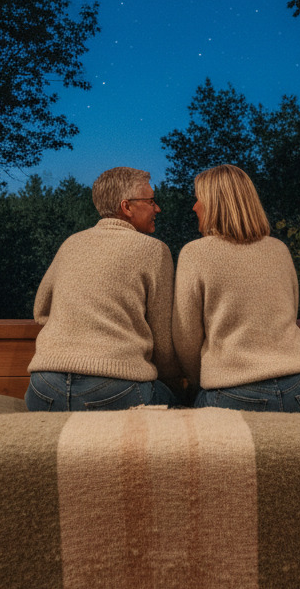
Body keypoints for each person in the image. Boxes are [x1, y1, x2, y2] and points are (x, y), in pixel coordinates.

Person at [25, 166, 182, 411]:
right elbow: (162, 338)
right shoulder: (154, 250)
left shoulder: (71, 243)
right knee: (180, 407)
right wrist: (177, 383)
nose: (157, 208)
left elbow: (40, 310)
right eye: (151, 201)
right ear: (126, 207)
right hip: (115, 389)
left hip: (44, 387)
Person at [173, 164, 300, 413]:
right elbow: (291, 313)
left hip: (234, 394)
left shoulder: (195, 253)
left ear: (214, 204)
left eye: (198, 199)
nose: (194, 207)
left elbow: (186, 339)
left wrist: (201, 378)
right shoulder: (279, 249)